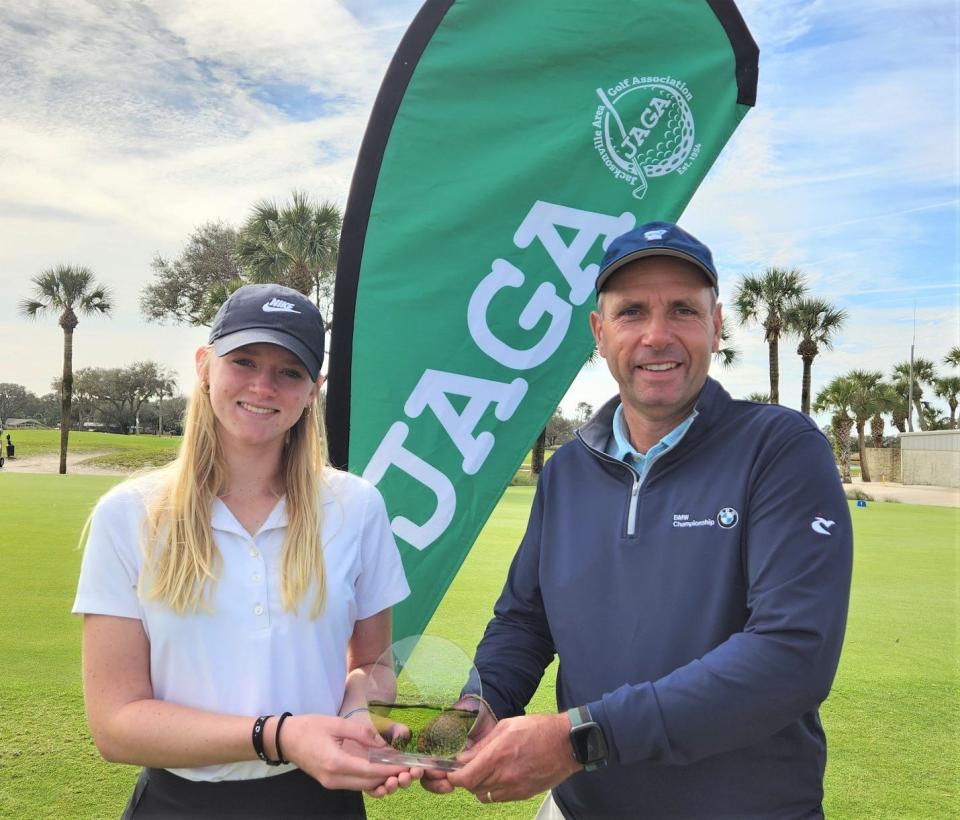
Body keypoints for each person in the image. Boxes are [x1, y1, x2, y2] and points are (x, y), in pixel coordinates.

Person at [424, 222, 853, 818]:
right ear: (600, 334)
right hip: (581, 809)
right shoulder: (568, 471)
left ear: (716, 325)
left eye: (682, 309)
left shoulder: (779, 447)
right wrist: (480, 706)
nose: (657, 335)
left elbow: (792, 656)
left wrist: (581, 738)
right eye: (631, 312)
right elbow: (525, 621)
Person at [73, 284, 420, 818]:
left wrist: (359, 710)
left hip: (319, 801)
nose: (263, 386)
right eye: (244, 360)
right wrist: (279, 736)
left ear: (313, 390)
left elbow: (371, 663)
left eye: (290, 372)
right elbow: (117, 725)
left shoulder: (356, 506)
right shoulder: (129, 515)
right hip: (179, 803)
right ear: (205, 365)